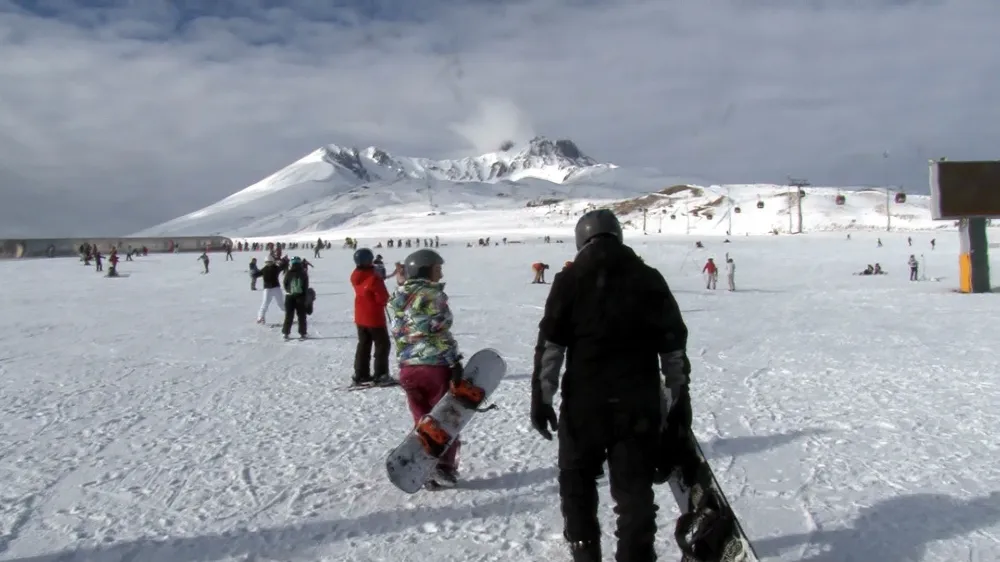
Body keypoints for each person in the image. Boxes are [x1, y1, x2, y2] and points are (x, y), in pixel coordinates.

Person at [530, 209, 690, 562]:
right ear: (618, 236)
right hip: (638, 403)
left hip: (585, 402)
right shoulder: (649, 277)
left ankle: (585, 551)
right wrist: (679, 399)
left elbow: (552, 345)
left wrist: (541, 396)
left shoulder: (569, 280)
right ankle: (636, 555)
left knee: (577, 480)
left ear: (580, 240)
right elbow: (673, 345)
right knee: (634, 492)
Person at [389, 248, 465, 488]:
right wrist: (454, 362)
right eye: (437, 269)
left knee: (423, 420)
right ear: (426, 269)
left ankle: (423, 465)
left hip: (408, 368)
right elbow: (440, 329)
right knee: (443, 418)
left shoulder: (396, 298)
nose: (440, 273)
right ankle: (443, 467)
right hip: (434, 365)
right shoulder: (433, 295)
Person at [351, 248, 392, 386]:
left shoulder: (355, 275)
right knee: (382, 345)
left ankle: (361, 374)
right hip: (374, 317)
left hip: (360, 316)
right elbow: (383, 298)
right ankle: (381, 375)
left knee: (364, 344)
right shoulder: (374, 278)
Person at [281, 257, 310, 339]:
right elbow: (306, 286)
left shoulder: (289, 273)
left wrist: (289, 291)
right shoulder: (303, 273)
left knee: (289, 315)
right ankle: (302, 333)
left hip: (289, 296)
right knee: (301, 315)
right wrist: (304, 295)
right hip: (300, 297)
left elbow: (285, 283)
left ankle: (286, 332)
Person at [253, 258, 285, 324]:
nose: (269, 263)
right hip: (267, 289)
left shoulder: (276, 268)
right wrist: (253, 273)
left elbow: (283, 267)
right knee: (265, 304)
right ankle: (261, 317)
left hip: (276, 288)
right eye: (267, 262)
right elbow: (257, 274)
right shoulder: (264, 269)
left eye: (270, 262)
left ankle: (291, 315)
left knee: (281, 304)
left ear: (273, 262)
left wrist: (281, 262)